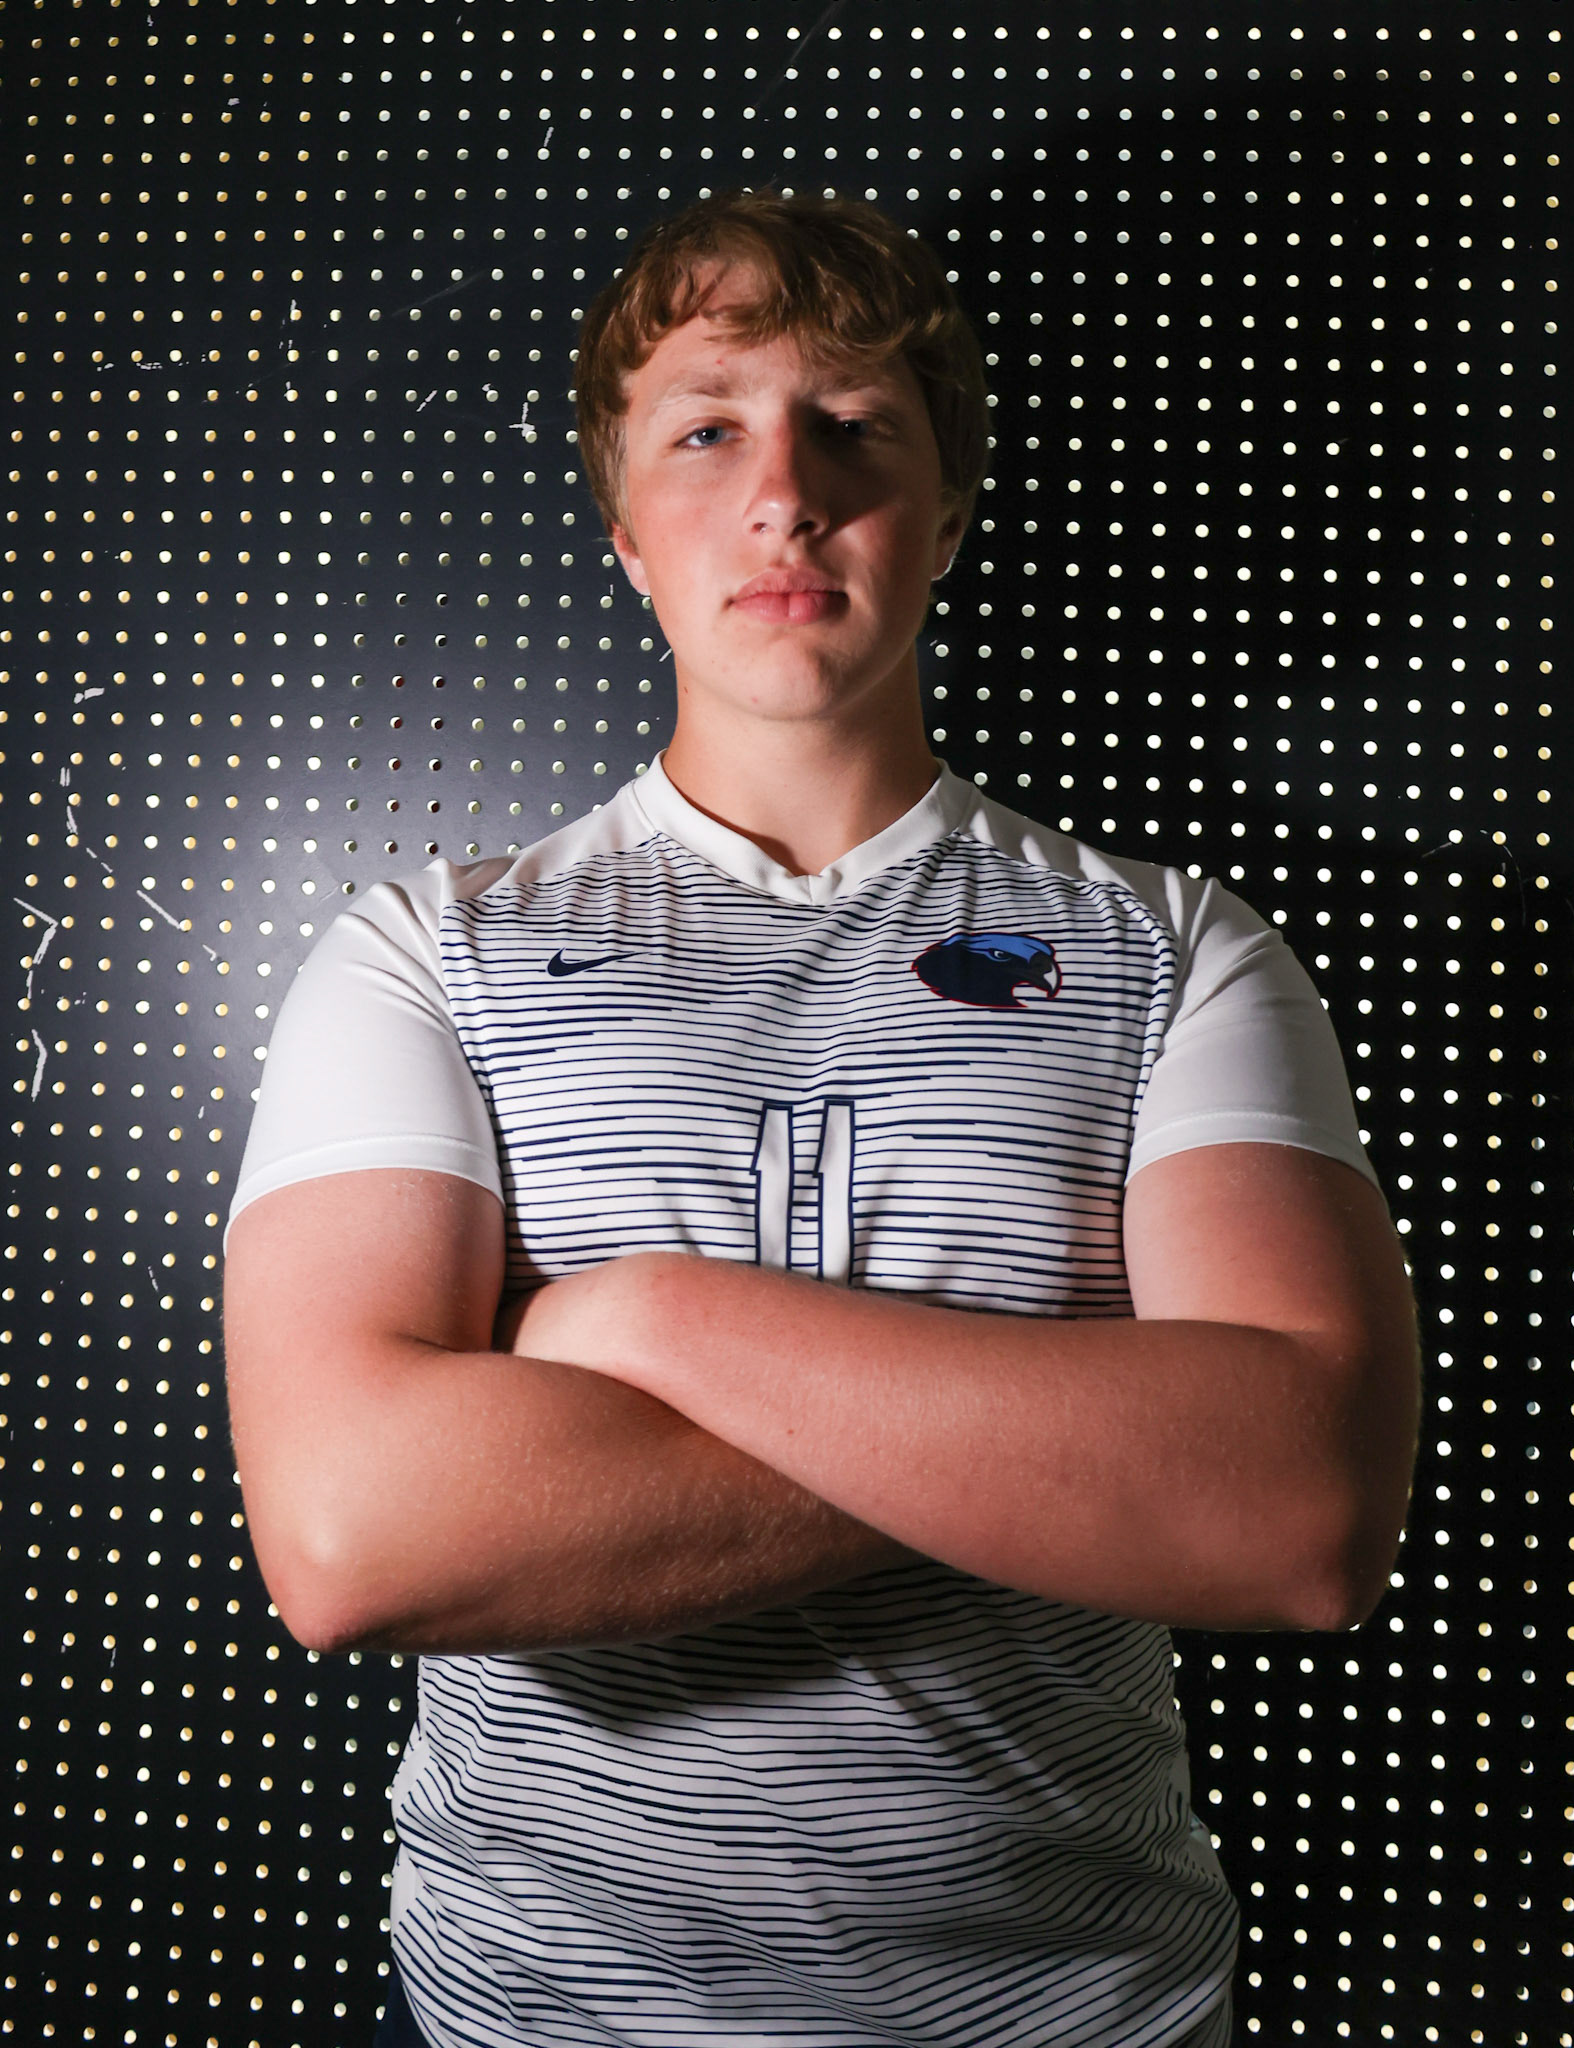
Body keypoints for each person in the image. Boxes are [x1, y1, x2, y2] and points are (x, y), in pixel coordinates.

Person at [223, 187, 1420, 2048]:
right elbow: (357, 1536)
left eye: (855, 422)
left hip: (1079, 2012)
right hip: (542, 2012)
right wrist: (1078, 1420)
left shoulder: (1180, 949)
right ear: (626, 536)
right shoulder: (421, 952)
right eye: (707, 427)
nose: (787, 488)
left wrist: (641, 1322)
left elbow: (1296, 1505)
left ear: (945, 509)